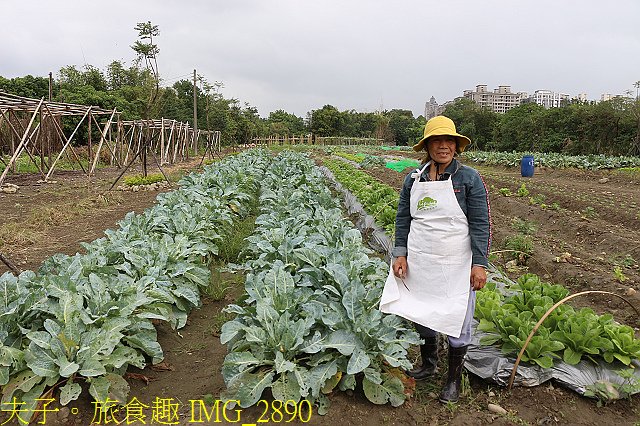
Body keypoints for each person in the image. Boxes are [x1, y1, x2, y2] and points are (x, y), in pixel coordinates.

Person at [379, 115, 492, 404]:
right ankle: (429, 364)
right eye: (437, 141)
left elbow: (480, 223)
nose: (443, 146)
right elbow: (403, 218)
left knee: (459, 317)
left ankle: (453, 380)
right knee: (421, 311)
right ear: (427, 146)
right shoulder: (413, 178)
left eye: (449, 141)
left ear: (456, 146)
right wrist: (400, 252)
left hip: (456, 263)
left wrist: (479, 263)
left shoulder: (468, 178)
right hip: (421, 260)